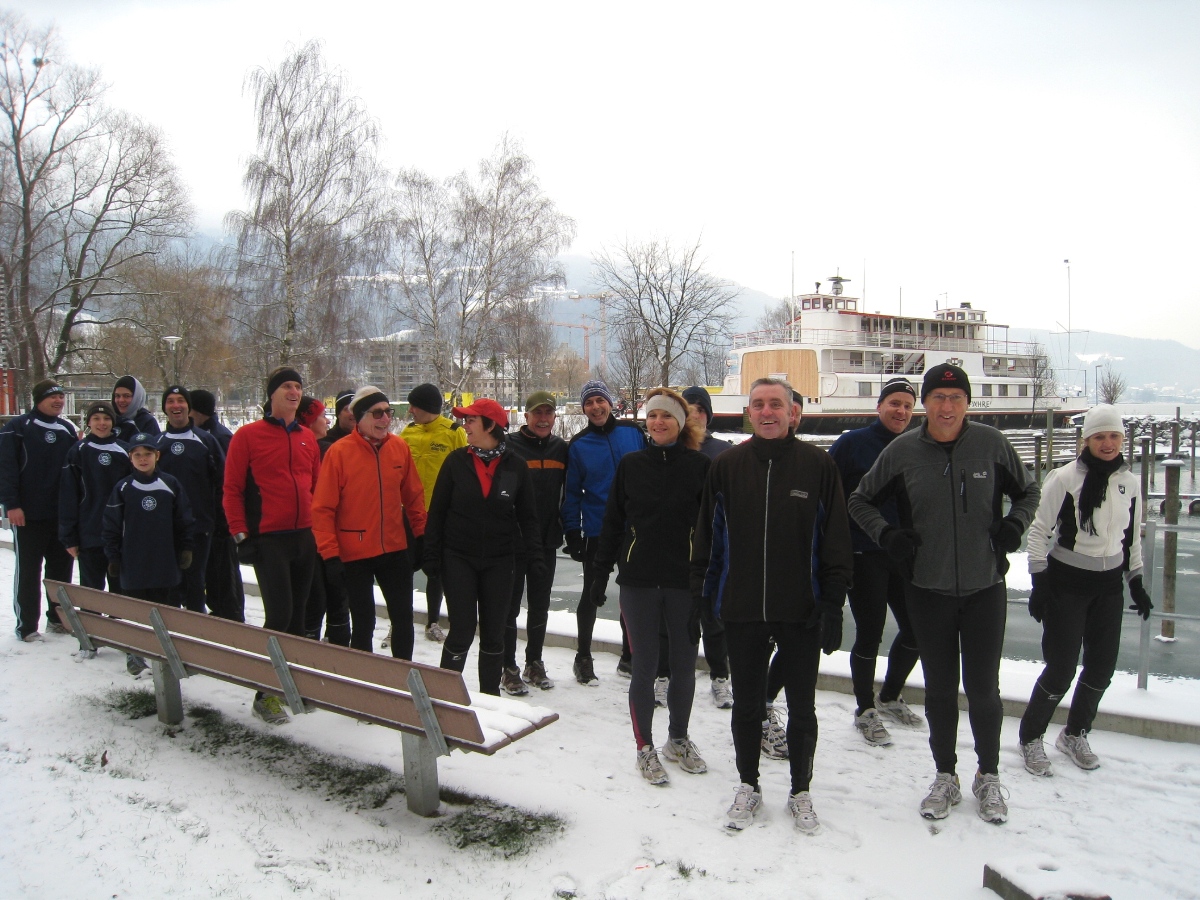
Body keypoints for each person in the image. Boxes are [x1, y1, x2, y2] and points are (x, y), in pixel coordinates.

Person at [849, 363, 1040, 825]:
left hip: (984, 587)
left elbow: (1029, 492)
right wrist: (887, 534)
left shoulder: (991, 445)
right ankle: (945, 775)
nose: (947, 406)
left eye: (956, 398)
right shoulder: (903, 451)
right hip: (927, 588)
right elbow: (859, 500)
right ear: (926, 403)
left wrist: (1015, 524)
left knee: (984, 690)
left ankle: (988, 775)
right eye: (938, 397)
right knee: (938, 689)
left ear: (968, 403)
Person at [692, 377, 853, 834]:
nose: (767, 412)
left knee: (802, 707)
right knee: (747, 706)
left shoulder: (818, 466)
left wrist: (832, 601)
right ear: (749, 413)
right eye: (759, 404)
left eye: (776, 404)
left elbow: (836, 539)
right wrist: (702, 596)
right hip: (741, 607)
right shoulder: (726, 466)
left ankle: (801, 791)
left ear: (792, 413)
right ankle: (748, 784)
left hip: (800, 607)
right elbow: (708, 538)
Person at [1018, 404, 1151, 775]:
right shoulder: (1064, 478)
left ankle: (1075, 733)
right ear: (1086, 440)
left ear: (1122, 439)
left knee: (1101, 668)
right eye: (1099, 436)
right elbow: (1038, 532)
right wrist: (1039, 581)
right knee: (1061, 669)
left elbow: (1130, 538)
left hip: (1108, 587)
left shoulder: (1130, 483)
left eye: (1114, 436)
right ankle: (1031, 737)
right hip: (1068, 585)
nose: (1108, 443)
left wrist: (1136, 581)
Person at [593, 387, 711, 785]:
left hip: (684, 581)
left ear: (681, 423)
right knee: (644, 666)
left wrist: (708, 579)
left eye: (667, 416)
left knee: (683, 665)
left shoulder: (700, 467)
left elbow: (712, 529)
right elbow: (613, 522)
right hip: (638, 580)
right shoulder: (632, 465)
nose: (658, 422)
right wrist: (600, 573)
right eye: (653, 415)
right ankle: (644, 746)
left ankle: (677, 739)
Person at [423, 398, 543, 696]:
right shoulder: (455, 461)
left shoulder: (516, 466)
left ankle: (491, 700)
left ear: (490, 426)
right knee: (461, 631)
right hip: (458, 558)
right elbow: (437, 512)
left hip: (500, 561)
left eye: (470, 420)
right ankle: (445, 697)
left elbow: (529, 518)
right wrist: (432, 555)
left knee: (494, 634)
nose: (465, 426)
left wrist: (535, 558)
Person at [828, 377, 924, 747]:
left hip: (903, 554)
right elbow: (828, 496)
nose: (901, 411)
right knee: (870, 631)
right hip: (863, 551)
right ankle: (865, 708)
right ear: (879, 406)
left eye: (907, 406)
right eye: (894, 403)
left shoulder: (916, 447)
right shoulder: (852, 444)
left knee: (917, 630)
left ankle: (889, 695)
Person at [223, 366, 322, 725]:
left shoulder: (307, 438)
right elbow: (232, 489)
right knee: (279, 616)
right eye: (286, 387)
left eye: (298, 386)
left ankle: (289, 687)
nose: (294, 392)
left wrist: (320, 531)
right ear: (272, 394)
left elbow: (316, 487)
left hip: (304, 537)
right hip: (269, 539)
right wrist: (240, 535)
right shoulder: (248, 436)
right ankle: (264, 694)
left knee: (299, 617)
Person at [312, 387, 426, 657]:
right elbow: (323, 509)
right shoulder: (339, 453)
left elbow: (413, 496)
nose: (385, 419)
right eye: (377, 413)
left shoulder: (399, 447)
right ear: (360, 417)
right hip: (355, 553)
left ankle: (403, 675)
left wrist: (421, 536)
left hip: (394, 548)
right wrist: (330, 555)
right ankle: (363, 677)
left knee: (403, 618)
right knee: (363, 622)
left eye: (388, 412)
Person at [562, 379, 646, 685]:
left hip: (634, 529)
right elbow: (572, 493)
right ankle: (583, 657)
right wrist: (573, 532)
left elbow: (651, 474)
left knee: (632, 595)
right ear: (583, 409)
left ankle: (629, 656)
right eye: (589, 402)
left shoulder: (632, 432)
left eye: (600, 400)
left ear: (610, 403)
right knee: (591, 593)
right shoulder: (579, 444)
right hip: (598, 529)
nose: (595, 407)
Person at [103, 432, 195, 675]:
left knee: (167, 609)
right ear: (130, 458)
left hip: (165, 562)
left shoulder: (170, 484)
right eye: (137, 455)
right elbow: (111, 525)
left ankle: (168, 653)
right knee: (137, 611)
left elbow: (184, 519)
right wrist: (113, 556)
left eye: (147, 454)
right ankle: (136, 653)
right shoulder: (123, 487)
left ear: (157, 456)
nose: (143, 459)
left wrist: (186, 548)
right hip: (133, 563)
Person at [501, 391, 568, 694]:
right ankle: (508, 667)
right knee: (510, 606)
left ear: (554, 417)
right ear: (526, 416)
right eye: (537, 413)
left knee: (540, 605)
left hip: (546, 541)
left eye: (548, 413)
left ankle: (534, 663)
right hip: (513, 542)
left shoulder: (560, 449)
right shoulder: (509, 446)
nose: (543, 419)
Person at [1, 379, 78, 640]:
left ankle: (57, 619)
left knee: (61, 573)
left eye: (61, 396)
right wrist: (11, 504)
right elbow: (6, 468)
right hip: (28, 515)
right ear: (39, 399)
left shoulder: (67, 429)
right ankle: (26, 626)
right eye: (52, 396)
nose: (58, 401)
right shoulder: (18, 428)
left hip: (61, 516)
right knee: (29, 572)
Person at [676, 385, 734, 708]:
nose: (695, 415)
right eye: (689, 409)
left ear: (708, 416)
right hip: (677, 547)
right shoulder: (670, 448)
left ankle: (719, 676)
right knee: (674, 618)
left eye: (700, 410)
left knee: (713, 618)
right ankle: (667, 674)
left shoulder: (723, 452)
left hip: (713, 548)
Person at [399, 382, 467, 644]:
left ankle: (433, 621)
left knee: (436, 570)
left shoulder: (453, 432)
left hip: (439, 514)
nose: (410, 411)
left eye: (414, 406)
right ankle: (399, 621)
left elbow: (463, 471)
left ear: (426, 407)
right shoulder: (407, 433)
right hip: (408, 512)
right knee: (402, 568)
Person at [155, 386, 225, 614]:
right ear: (165, 407)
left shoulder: (206, 441)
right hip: (165, 527)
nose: (176, 405)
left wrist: (219, 520)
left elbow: (222, 482)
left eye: (181, 401)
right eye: (170, 401)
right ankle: (170, 631)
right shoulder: (157, 444)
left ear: (188, 406)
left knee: (195, 584)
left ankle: (196, 630)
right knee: (170, 585)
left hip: (199, 526)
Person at [59, 400, 132, 592]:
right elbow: (68, 496)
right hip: (89, 535)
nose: (102, 423)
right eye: (96, 418)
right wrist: (69, 537)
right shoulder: (78, 451)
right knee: (91, 593)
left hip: (120, 536)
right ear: (89, 422)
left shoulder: (126, 451)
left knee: (121, 594)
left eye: (107, 418)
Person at [299, 395, 350, 645]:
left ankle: (312, 645)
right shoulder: (325, 450)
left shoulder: (318, 447)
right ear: (308, 421)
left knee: (317, 599)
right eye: (321, 416)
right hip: (323, 534)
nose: (326, 421)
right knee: (331, 598)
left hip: (312, 534)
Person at [190, 389, 244, 621]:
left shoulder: (219, 437)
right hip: (207, 518)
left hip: (220, 521)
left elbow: (227, 480)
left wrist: (224, 518)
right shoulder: (203, 434)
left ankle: (231, 619)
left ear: (198, 411)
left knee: (224, 577)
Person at [111, 375, 160, 443]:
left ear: (137, 397)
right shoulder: (109, 419)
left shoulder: (147, 423)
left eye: (126, 396)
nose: (121, 400)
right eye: (117, 396)